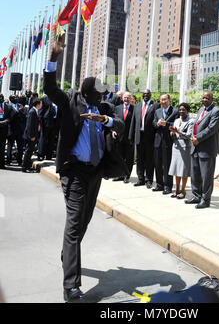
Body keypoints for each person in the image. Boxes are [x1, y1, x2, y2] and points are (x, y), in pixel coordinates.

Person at [43, 34, 126, 303]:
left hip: (95, 172)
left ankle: (68, 256)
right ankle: (71, 287)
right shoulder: (70, 100)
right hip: (74, 171)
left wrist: (105, 119)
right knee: (75, 225)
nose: (100, 97)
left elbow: (120, 123)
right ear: (86, 92)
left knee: (83, 224)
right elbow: (49, 88)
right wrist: (53, 58)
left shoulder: (101, 106)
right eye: (96, 94)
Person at [185, 91, 219, 209]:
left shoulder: (216, 111)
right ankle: (196, 196)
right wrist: (193, 137)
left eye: (207, 98)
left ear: (212, 99)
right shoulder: (201, 109)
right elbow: (196, 125)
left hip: (207, 149)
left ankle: (205, 200)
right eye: (203, 98)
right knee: (195, 174)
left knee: (206, 176)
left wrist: (198, 138)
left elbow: (212, 128)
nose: (204, 100)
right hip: (195, 147)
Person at [129, 89, 159, 188]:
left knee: (149, 159)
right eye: (144, 94)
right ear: (142, 96)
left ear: (150, 95)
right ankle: (140, 179)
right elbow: (133, 121)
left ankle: (149, 180)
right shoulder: (137, 106)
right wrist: (131, 136)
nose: (146, 96)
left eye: (148, 94)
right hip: (139, 136)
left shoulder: (155, 106)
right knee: (139, 159)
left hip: (149, 137)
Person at [152, 94, 179, 194]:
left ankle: (168, 186)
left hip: (168, 142)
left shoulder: (175, 111)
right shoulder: (157, 111)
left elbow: (175, 125)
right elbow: (153, 123)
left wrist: (166, 124)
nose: (163, 102)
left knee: (167, 164)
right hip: (158, 141)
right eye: (162, 100)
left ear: (169, 100)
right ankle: (159, 184)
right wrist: (158, 123)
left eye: (165, 100)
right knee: (158, 164)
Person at [168, 103, 194, 199]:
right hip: (176, 147)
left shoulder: (191, 121)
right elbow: (172, 134)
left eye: (183, 110)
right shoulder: (176, 120)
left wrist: (178, 132)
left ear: (187, 111)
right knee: (176, 169)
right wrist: (173, 132)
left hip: (185, 148)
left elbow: (188, 135)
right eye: (180, 110)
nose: (181, 111)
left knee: (183, 170)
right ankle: (177, 189)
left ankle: (183, 190)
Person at [112, 91, 134, 183]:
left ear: (131, 99)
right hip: (118, 137)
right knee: (119, 157)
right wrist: (113, 130)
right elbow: (113, 120)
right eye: (125, 97)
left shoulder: (134, 109)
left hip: (129, 138)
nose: (126, 99)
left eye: (128, 97)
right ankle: (119, 174)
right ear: (122, 98)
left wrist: (133, 137)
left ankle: (127, 175)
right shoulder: (117, 108)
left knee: (129, 158)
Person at [22, 98, 43, 172]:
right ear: (37, 104)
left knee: (30, 151)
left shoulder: (35, 111)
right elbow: (30, 125)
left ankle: (28, 166)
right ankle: (25, 167)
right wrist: (32, 136)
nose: (41, 105)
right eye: (41, 103)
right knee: (28, 151)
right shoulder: (32, 112)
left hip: (34, 135)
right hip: (31, 136)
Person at [6, 95, 26, 166]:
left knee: (20, 146)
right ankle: (8, 161)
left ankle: (19, 161)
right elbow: (9, 117)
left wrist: (21, 111)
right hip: (11, 129)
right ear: (11, 99)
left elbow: (24, 116)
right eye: (15, 97)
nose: (17, 98)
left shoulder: (20, 105)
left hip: (19, 130)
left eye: (17, 97)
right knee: (10, 146)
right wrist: (18, 111)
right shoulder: (8, 106)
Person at [0, 94, 13, 169]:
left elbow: (10, 117)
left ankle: (1, 164)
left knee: (2, 147)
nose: (1, 99)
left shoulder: (8, 107)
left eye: (2, 98)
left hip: (4, 129)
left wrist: (5, 122)